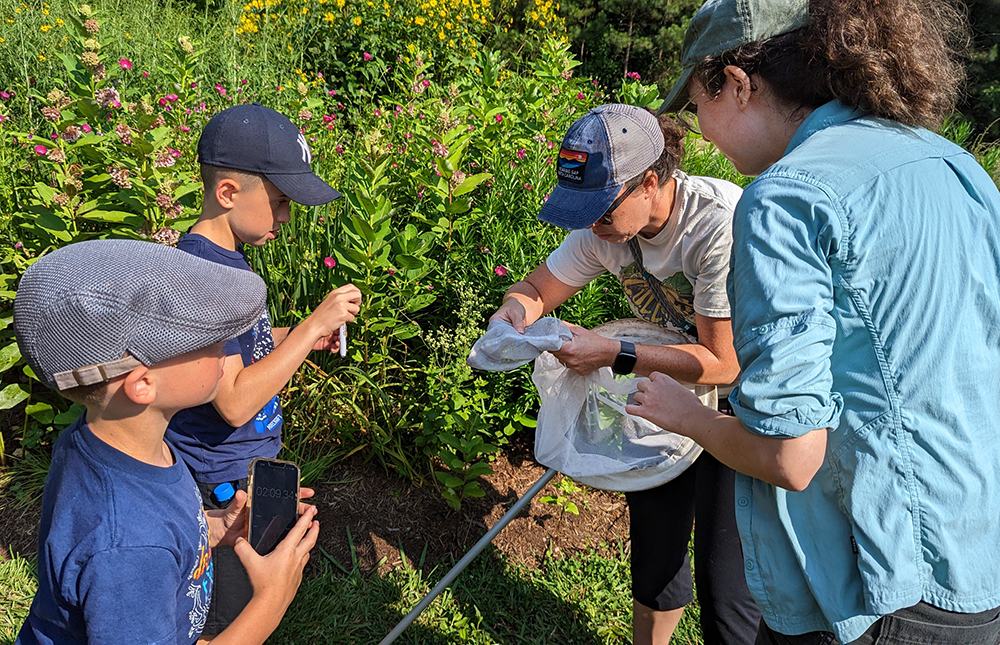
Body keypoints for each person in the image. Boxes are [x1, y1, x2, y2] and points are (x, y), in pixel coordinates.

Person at [627, 0, 1000, 643]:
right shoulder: (954, 165)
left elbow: (790, 456)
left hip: (869, 587)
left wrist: (688, 417)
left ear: (737, 84)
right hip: (977, 559)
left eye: (697, 105)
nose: (701, 134)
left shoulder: (787, 197)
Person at [490, 103, 760, 644]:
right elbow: (536, 289)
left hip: (743, 403)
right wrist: (511, 317)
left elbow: (724, 363)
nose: (592, 226)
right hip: (670, 388)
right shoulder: (605, 229)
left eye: (602, 212)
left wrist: (614, 353)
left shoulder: (715, 226)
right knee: (656, 549)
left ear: (650, 182)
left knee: (726, 580)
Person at [13, 239, 320, 644]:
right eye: (210, 340)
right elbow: (135, 544)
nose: (228, 348)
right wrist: (271, 601)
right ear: (142, 384)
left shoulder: (112, 442)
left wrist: (210, 528)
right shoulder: (129, 546)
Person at [165, 103, 363, 635]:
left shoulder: (225, 262)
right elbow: (232, 401)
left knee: (246, 595)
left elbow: (237, 347)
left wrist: (297, 338)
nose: (286, 217)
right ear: (228, 192)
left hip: (239, 469)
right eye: (279, 202)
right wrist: (310, 327)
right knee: (224, 613)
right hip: (216, 482)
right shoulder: (207, 275)